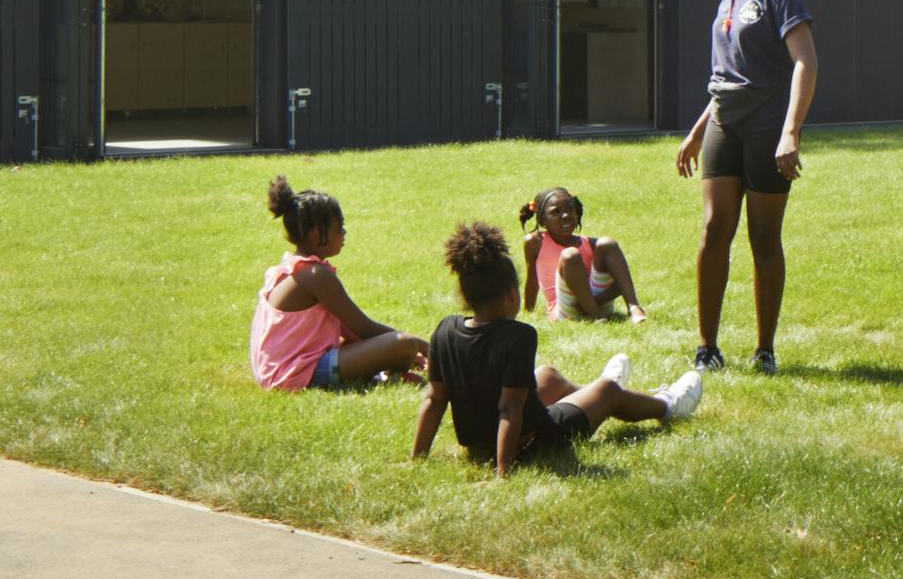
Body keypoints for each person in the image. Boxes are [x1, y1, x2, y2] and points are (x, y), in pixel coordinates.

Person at [671, 0, 818, 374]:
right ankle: (707, 348)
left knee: (763, 237)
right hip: (723, 123)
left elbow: (805, 61)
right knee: (715, 229)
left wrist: (790, 132)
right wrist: (698, 131)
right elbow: (727, 75)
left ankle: (764, 350)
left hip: (766, 127)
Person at [414, 219, 700, 475]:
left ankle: (597, 397)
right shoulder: (518, 336)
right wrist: (503, 472)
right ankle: (667, 405)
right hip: (530, 440)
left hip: (479, 441)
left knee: (548, 375)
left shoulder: (445, 329)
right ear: (512, 294)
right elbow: (509, 409)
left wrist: (417, 457)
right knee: (608, 391)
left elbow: (434, 400)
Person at [250, 174, 427, 393]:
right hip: (293, 374)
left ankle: (387, 369)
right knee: (403, 344)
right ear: (316, 233)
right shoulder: (315, 274)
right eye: (339, 227)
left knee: (391, 344)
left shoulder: (290, 267)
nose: (344, 232)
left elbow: (350, 329)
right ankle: (390, 373)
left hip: (280, 371)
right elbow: (364, 328)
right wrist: (420, 346)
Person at [519, 184, 644, 323]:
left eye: (570, 209)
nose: (566, 215)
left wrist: (598, 300)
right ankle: (596, 315)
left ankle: (634, 307)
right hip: (565, 309)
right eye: (556, 212)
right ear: (542, 221)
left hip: (598, 303)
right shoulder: (536, 242)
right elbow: (532, 279)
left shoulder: (589, 244)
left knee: (607, 243)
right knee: (570, 255)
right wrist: (528, 312)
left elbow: (621, 282)